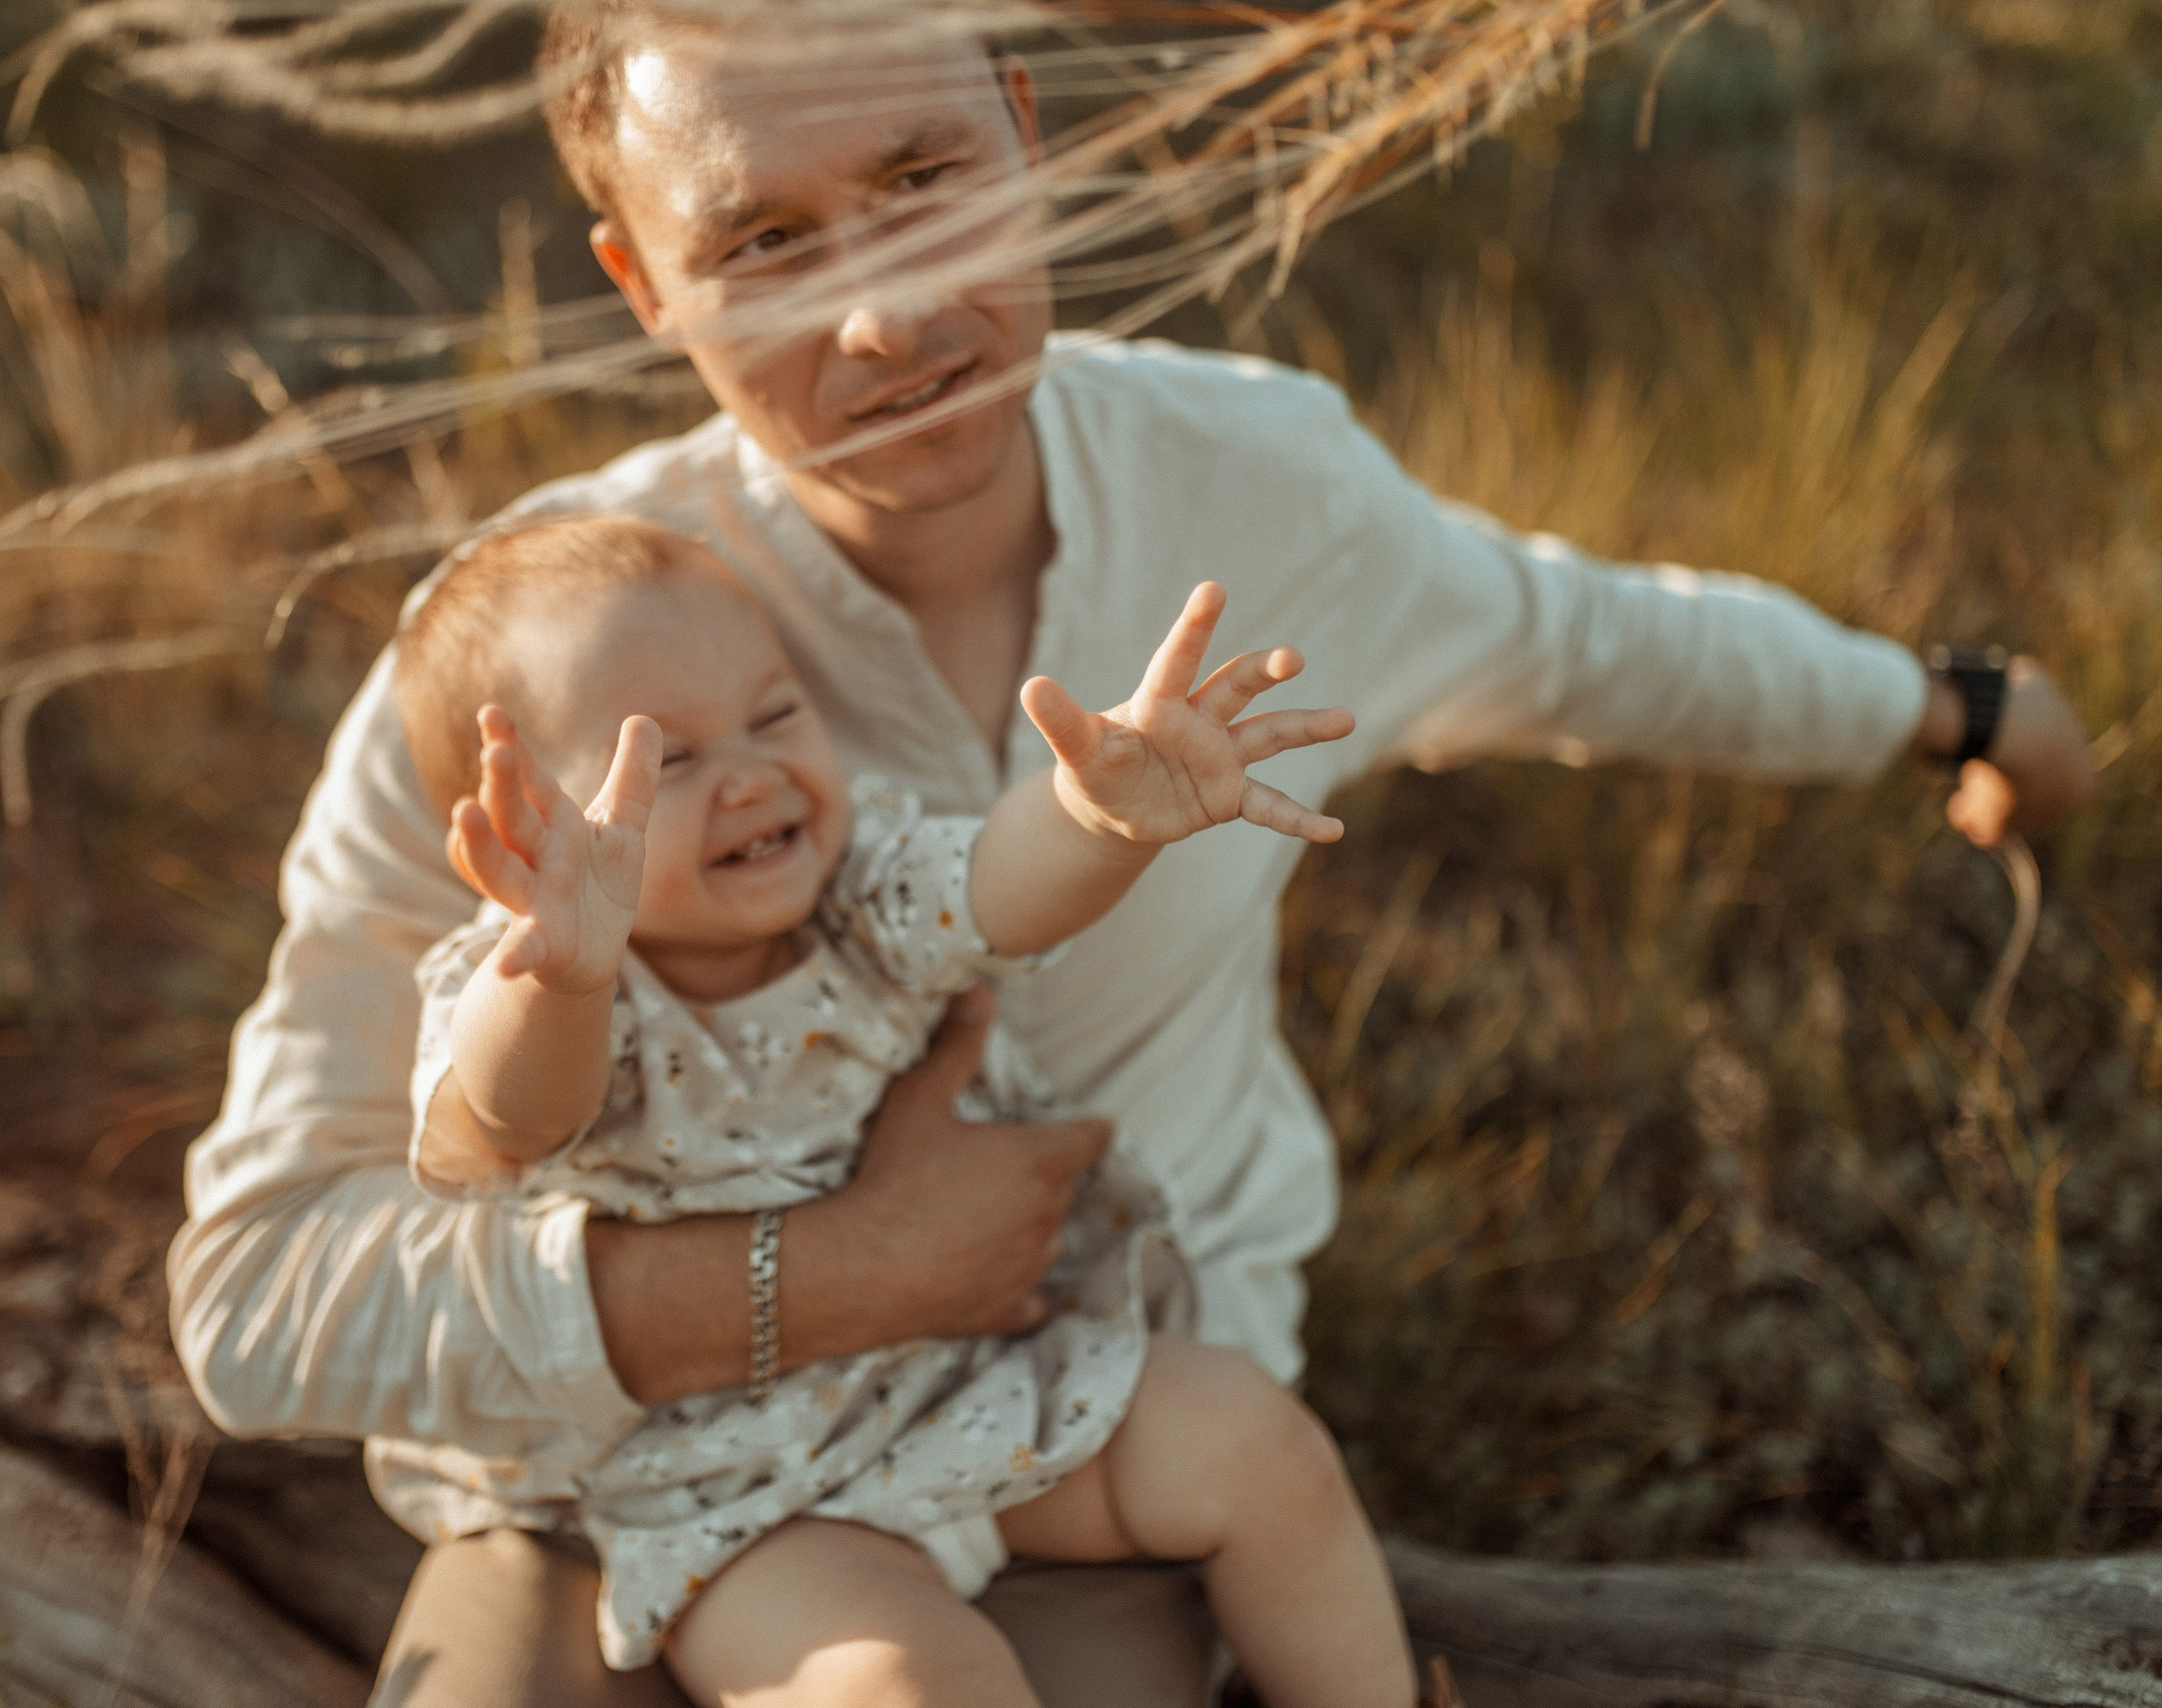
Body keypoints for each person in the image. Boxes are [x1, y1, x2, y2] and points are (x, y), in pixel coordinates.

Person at [165, 7, 2100, 1706]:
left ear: (1026, 124)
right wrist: (823, 1274)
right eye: (761, 243)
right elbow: (254, 1290)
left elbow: (1593, 637)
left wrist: (1943, 700)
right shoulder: (543, 660)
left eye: (926, 177)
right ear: (641, 281)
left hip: (1086, 1399)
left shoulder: (1261, 485)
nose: (885, 316)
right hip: (608, 1466)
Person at [387, 513, 1405, 1704]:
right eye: (667, 762)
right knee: (907, 1682)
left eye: (773, 714)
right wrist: (560, 973)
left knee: (1257, 1440)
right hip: (749, 1488)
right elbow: (515, 1113)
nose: (754, 774)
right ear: (525, 831)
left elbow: (991, 888)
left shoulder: (855, 881)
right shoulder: (537, 989)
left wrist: (1097, 818)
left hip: (974, 1374)